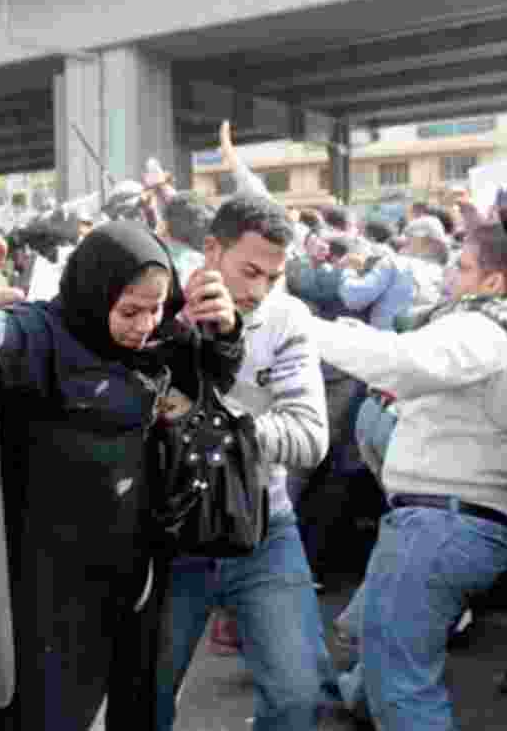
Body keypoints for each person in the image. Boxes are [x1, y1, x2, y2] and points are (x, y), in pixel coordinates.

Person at [0, 213, 245, 731]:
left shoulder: (158, 342)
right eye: (130, 310)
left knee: (143, 707)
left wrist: (224, 332)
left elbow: (209, 377)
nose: (144, 325)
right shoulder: (40, 333)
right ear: (94, 292)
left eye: (155, 309)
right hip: (51, 585)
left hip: (141, 571)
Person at [310, 223, 507, 731]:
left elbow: (406, 361)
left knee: (403, 687)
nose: (448, 276)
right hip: (451, 523)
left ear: (495, 283)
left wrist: (306, 329)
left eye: (462, 266)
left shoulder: (490, 327)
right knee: (387, 652)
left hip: (442, 524)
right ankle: (354, 696)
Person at [155, 193, 333, 731]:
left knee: (299, 697)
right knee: (144, 697)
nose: (258, 290)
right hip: (170, 536)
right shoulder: (154, 300)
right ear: (212, 249)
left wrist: (214, 434)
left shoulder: (286, 318)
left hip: (263, 526)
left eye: (272, 277)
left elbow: (309, 434)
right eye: (249, 271)